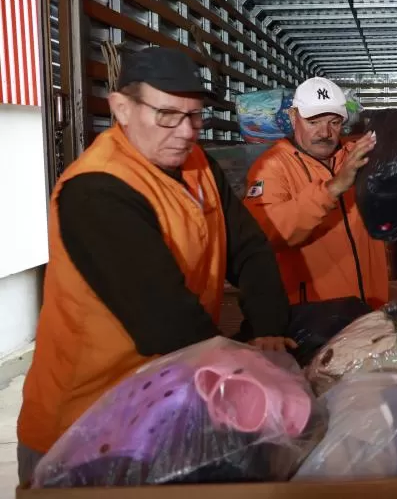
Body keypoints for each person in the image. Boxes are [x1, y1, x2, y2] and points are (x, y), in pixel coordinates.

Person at [17, 47, 292, 483]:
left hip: (166, 404)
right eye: (167, 115)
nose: (186, 132)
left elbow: (249, 248)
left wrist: (270, 326)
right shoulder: (97, 190)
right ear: (121, 108)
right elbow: (165, 324)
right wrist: (252, 381)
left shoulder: (197, 165)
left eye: (195, 116)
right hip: (86, 426)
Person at [244, 77, 389, 309]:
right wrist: (333, 189)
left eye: (334, 122)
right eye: (314, 122)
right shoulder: (271, 167)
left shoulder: (359, 155)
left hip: (371, 308)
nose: (325, 132)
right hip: (315, 315)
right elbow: (268, 233)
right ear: (293, 117)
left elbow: (394, 220)